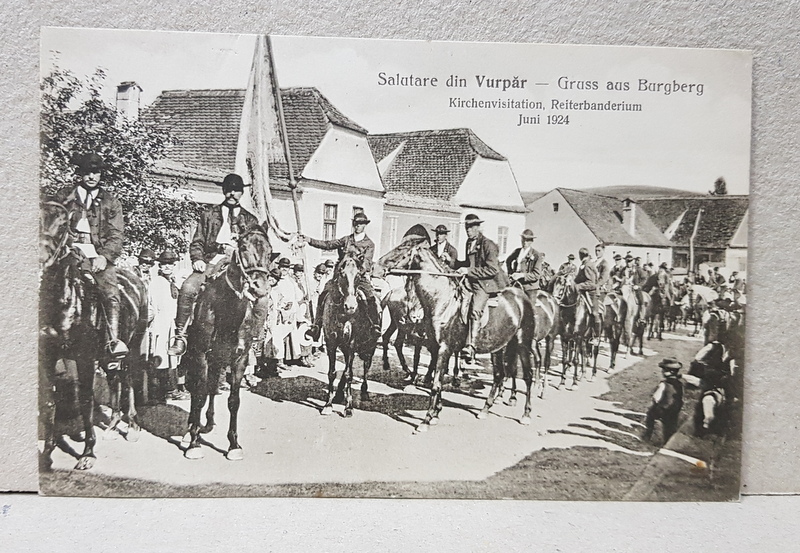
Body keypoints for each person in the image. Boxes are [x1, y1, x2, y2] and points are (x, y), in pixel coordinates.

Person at [168, 173, 266, 356]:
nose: (232, 194)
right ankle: (180, 336)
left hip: (241, 265)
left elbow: (257, 247)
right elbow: (197, 241)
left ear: (241, 193)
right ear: (223, 191)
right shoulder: (209, 214)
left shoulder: (250, 220)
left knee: (262, 296)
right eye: (228, 190)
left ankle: (255, 339)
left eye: (236, 190)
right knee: (188, 287)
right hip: (212, 260)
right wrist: (197, 259)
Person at [55, 153, 128, 358]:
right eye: (87, 172)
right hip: (67, 251)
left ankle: (112, 341)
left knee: (110, 290)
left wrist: (104, 257)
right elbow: (52, 221)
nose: (91, 176)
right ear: (80, 173)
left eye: (95, 172)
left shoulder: (111, 202)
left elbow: (116, 234)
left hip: (97, 254)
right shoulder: (65, 196)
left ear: (101, 174)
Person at [300, 212, 382, 341]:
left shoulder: (369, 244)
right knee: (324, 294)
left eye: (360, 224)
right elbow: (328, 244)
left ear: (365, 226)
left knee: (372, 297)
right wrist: (309, 240)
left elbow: (366, 263)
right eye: (355, 223)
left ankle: (374, 326)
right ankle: (316, 326)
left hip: (359, 279)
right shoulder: (346, 240)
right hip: (341, 279)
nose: (357, 226)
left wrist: (356, 271)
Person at [455, 214, 508, 362]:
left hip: (484, 284)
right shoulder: (469, 242)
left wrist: (469, 271)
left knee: (475, 310)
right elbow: (468, 263)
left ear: (478, 227)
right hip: (470, 281)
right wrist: (455, 263)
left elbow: (492, 270)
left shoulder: (488, 245)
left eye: (471, 227)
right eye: (467, 227)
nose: (468, 230)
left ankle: (471, 345)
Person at [148, 250, 188, 401]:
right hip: (160, 322)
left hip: (172, 322)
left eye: (170, 264)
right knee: (160, 356)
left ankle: (171, 389)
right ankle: (158, 393)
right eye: (164, 264)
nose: (167, 267)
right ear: (160, 265)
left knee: (172, 357)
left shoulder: (172, 282)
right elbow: (152, 304)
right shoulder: (156, 282)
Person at [643, 357, 684, 444]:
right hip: (675, 409)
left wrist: (654, 404)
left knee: (650, 414)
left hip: (664, 409)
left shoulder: (663, 384)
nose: (662, 371)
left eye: (664, 370)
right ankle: (668, 439)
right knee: (670, 425)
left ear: (671, 372)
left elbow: (656, 398)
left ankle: (648, 434)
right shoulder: (679, 384)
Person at [506, 229, 543, 302]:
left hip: (529, 287)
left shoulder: (536, 255)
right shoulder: (517, 251)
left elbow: (536, 275)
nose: (524, 242)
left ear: (531, 241)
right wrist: (511, 273)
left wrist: (521, 275)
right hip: (516, 284)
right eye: (523, 239)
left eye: (527, 240)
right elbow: (508, 261)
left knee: (530, 310)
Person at [574, 247, 599, 344]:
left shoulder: (588, 265)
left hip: (591, 293)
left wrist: (578, 286)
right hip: (583, 292)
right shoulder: (583, 264)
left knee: (594, 313)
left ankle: (596, 336)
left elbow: (591, 283)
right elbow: (578, 279)